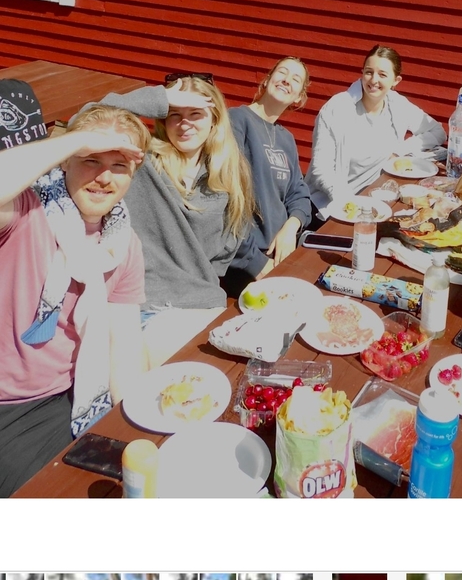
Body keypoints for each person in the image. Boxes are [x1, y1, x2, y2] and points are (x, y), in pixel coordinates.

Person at [0, 105, 148, 498]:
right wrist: (77, 138)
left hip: (72, 395)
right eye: (90, 160)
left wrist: (136, 428)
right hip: (9, 404)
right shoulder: (25, 211)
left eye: (119, 165)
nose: (103, 177)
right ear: (65, 160)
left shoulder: (123, 244)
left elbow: (124, 349)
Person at [88, 74, 253, 364]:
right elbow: (88, 119)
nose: (184, 123)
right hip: (140, 305)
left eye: (195, 114)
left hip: (201, 307)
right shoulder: (142, 161)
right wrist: (162, 99)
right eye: (175, 115)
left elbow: (226, 250)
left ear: (214, 119)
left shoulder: (229, 176)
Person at [306, 45, 446, 217]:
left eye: (382, 74)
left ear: (396, 81)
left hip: (375, 204)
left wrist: (399, 151)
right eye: (369, 72)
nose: (373, 80)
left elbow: (437, 131)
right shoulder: (337, 108)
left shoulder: (398, 105)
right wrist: (347, 202)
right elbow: (321, 169)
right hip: (329, 208)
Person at [226, 58, 313, 291]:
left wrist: (290, 228)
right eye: (282, 72)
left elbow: (300, 194)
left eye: (296, 79)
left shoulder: (286, 139)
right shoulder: (237, 121)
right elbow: (224, 202)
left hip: (280, 254)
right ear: (267, 80)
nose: (287, 80)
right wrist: (257, 263)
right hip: (245, 263)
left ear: (298, 97)